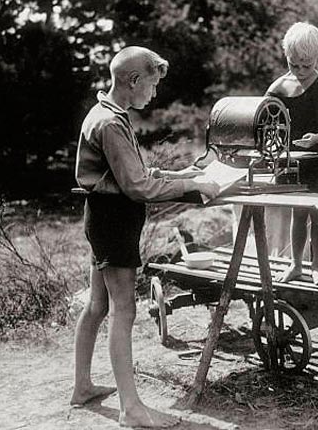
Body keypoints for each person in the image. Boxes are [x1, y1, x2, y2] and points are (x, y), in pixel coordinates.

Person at [71, 46, 219, 428]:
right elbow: (137, 186)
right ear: (133, 81)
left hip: (104, 219)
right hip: (114, 222)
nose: (153, 94)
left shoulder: (109, 114)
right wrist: (193, 187)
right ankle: (131, 408)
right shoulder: (110, 124)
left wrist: (184, 174)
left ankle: (82, 386)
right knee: (125, 310)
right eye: (151, 86)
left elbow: (137, 172)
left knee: (98, 306)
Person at [266, 22, 318, 286]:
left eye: (306, 65)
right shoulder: (278, 88)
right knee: (298, 212)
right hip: (291, 159)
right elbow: (266, 121)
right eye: (293, 64)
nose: (300, 71)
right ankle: (296, 264)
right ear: (286, 56)